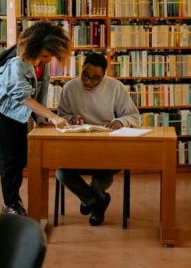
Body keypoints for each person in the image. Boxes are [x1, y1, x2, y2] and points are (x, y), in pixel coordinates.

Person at [0, 21, 71, 216]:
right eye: (44, 55)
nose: (48, 59)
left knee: (21, 157)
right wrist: (52, 117)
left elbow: (42, 88)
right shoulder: (16, 64)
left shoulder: (42, 60)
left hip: (20, 112)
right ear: (33, 49)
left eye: (50, 55)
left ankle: (14, 200)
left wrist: (40, 119)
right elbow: (23, 96)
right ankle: (9, 204)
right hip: (1, 112)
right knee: (10, 159)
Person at [55, 52, 141, 225]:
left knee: (101, 177)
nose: (88, 82)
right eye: (85, 75)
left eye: (96, 78)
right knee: (62, 173)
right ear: (81, 68)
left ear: (104, 76)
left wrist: (119, 121)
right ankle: (96, 202)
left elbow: (134, 116)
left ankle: (90, 200)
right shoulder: (70, 87)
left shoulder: (115, 87)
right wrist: (70, 119)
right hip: (79, 146)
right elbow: (62, 114)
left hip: (109, 147)